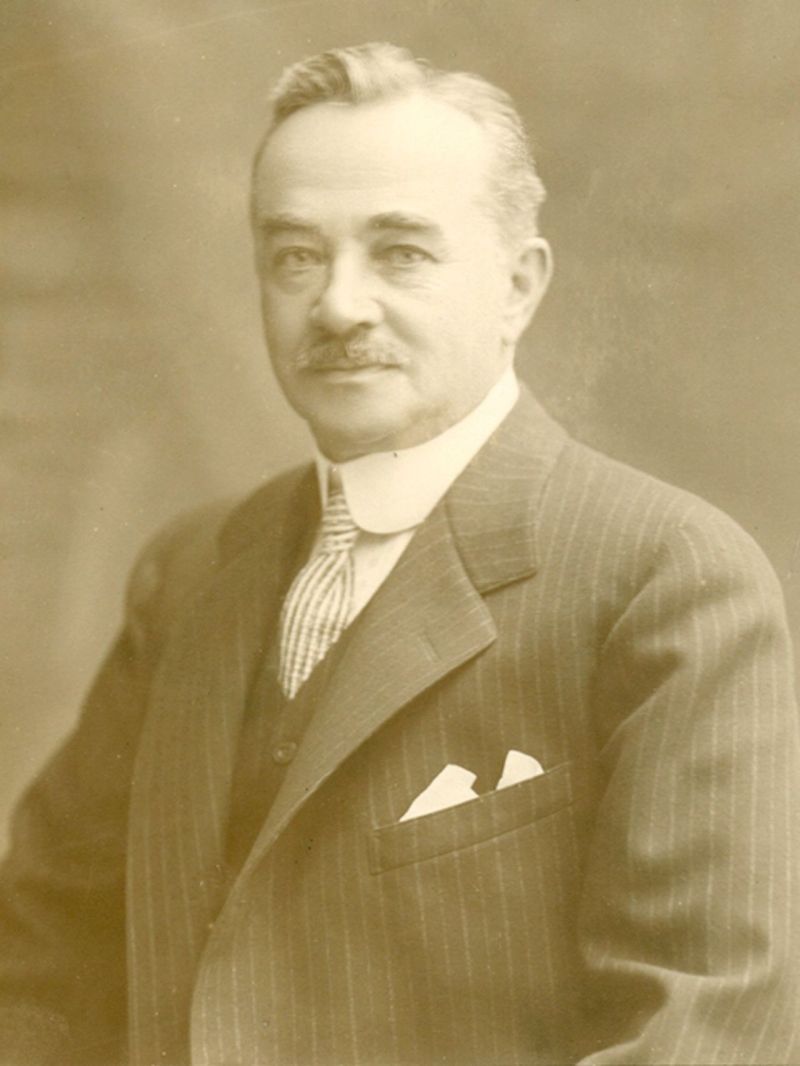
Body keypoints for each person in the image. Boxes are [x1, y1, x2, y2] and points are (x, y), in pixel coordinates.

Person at [1, 41, 798, 1066]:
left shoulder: (665, 575)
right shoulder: (191, 570)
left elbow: (700, 1026)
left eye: (399, 252)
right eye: (296, 255)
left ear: (517, 286)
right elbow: (37, 960)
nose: (337, 306)